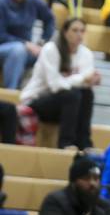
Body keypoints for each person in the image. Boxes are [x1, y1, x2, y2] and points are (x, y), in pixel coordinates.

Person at [20, 17, 98, 150]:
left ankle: (84, 143)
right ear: (65, 32)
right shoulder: (51, 49)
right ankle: (66, 143)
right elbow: (54, 85)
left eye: (82, 31)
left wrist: (89, 80)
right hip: (37, 101)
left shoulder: (86, 53)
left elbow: (86, 83)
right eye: (75, 30)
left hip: (64, 105)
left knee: (87, 93)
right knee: (72, 95)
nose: (79, 34)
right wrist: (83, 78)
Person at [0, 0, 54, 89]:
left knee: (50, 52)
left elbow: (50, 18)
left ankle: (36, 99)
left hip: (26, 49)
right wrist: (25, 44)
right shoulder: (1, 2)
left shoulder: (32, 0)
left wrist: (42, 42)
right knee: (18, 50)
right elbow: (1, 35)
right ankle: (11, 96)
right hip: (5, 47)